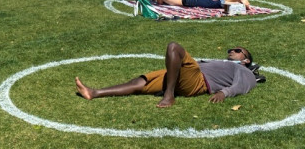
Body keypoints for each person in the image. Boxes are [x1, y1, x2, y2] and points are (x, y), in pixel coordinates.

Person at [75, 42, 259, 108]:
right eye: (231, 49)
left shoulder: (243, 70)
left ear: (246, 60)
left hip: (197, 81)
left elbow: (244, 85)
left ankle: (169, 96)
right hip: (183, 75)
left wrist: (224, 93)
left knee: (174, 48)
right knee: (140, 82)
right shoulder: (225, 63)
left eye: (238, 50)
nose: (232, 51)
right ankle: (94, 93)